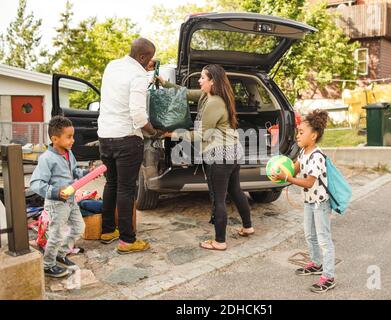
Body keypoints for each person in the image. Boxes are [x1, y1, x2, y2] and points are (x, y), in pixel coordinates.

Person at [157, 64, 254, 251]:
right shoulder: (205, 96)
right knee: (235, 191)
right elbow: (184, 93)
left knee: (218, 199)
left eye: (203, 78)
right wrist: (164, 84)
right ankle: (248, 227)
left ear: (213, 81)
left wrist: (172, 134)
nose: (199, 80)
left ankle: (219, 241)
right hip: (232, 152)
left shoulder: (214, 103)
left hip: (220, 155)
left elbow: (202, 135)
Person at [98, 38, 162, 254]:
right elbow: (138, 115)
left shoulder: (112, 66)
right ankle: (127, 240)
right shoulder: (138, 76)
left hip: (105, 136)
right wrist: (154, 132)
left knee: (111, 184)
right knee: (126, 189)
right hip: (127, 138)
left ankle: (108, 231)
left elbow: (122, 85)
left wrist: (145, 69)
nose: (149, 63)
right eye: (148, 58)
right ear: (143, 57)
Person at [271, 109, 336, 293]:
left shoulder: (317, 157)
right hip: (309, 202)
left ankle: (329, 277)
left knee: (324, 239)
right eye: (297, 132)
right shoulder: (303, 153)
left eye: (301, 132)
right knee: (309, 235)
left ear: (313, 136)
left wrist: (288, 179)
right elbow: (293, 170)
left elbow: (308, 181)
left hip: (321, 203)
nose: (297, 135)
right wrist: (280, 172)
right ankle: (316, 264)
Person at [30, 116, 89, 278]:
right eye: (69, 137)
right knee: (56, 234)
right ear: (55, 138)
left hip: (71, 201)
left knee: (79, 228)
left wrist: (86, 173)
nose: (73, 140)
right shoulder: (46, 159)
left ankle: (60, 254)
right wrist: (56, 192)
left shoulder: (69, 153)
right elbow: (36, 183)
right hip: (57, 204)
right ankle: (48, 265)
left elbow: (74, 172)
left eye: (73, 136)